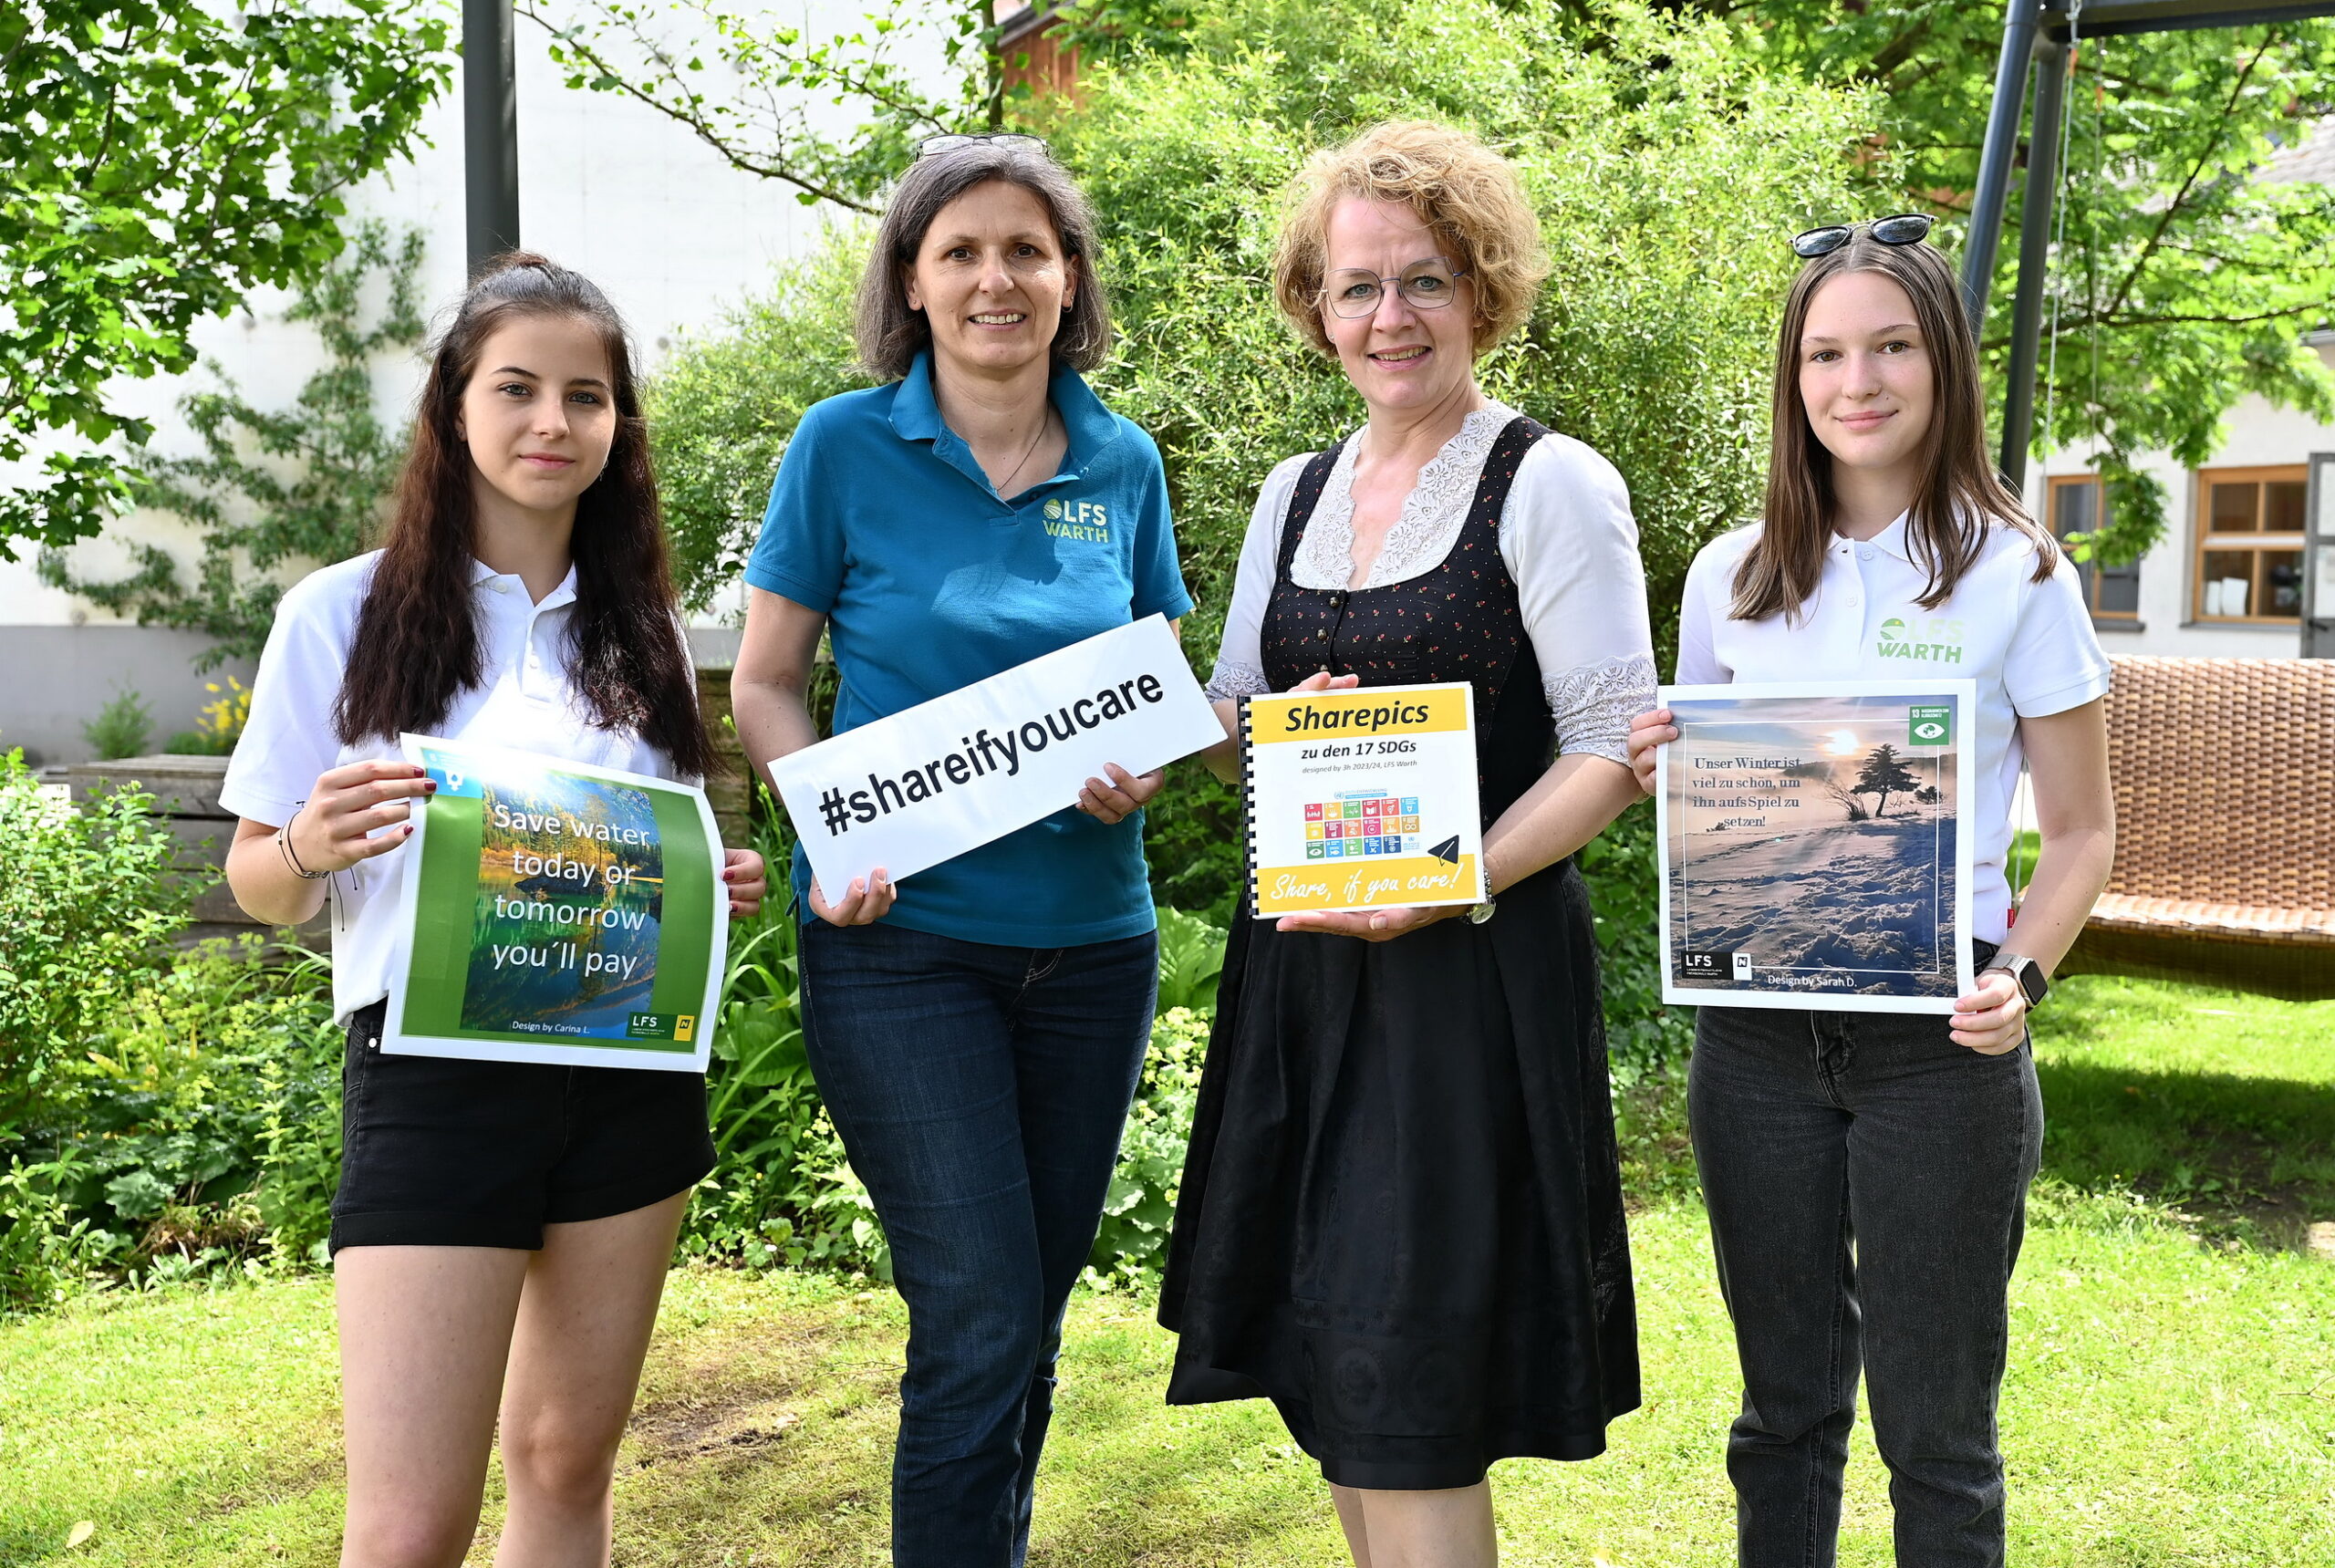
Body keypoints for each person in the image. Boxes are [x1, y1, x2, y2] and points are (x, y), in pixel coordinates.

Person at [221, 254, 768, 1568]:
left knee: (566, 1464)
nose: (552, 423)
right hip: (434, 1080)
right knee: (411, 1525)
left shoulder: (643, 634)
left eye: (588, 398)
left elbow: (650, 865)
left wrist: (704, 887)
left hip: (625, 1082)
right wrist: (305, 840)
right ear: (454, 408)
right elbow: (260, 883)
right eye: (517, 388)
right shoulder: (340, 613)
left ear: (616, 430)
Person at [1158, 120, 1653, 1568]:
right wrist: (1171, 739)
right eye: (1356, 285)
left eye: (1422, 281)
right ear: (1315, 306)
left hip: (1462, 991)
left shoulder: (1552, 481)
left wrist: (1454, 885)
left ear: (1481, 292)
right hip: (1305, 979)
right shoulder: (1289, 496)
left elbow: (1615, 747)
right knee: (1340, 1367)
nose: (1388, 316)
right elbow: (1236, 716)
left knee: (1414, 1384)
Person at [728, 134, 1193, 1567]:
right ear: (915, 284)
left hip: (1093, 949)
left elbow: (1156, 689)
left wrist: (1149, 773)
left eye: (1028, 251)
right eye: (963, 252)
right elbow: (764, 682)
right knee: (981, 1304)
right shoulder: (842, 445)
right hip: (900, 944)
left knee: (1030, 1311)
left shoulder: (1123, 461)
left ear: (1069, 280)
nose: (998, 278)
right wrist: (825, 819)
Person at [1625, 214, 2116, 1568]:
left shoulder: (2020, 572)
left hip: (1940, 1048)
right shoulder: (1730, 573)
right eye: (1828, 354)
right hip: (1756, 1044)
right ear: (1794, 381)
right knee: (1782, 1416)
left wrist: (2019, 979)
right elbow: (1719, 818)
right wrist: (1669, 762)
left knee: (1937, 1433)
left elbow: (2080, 833)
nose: (1860, 383)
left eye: (1892, 347)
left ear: (1943, 363)